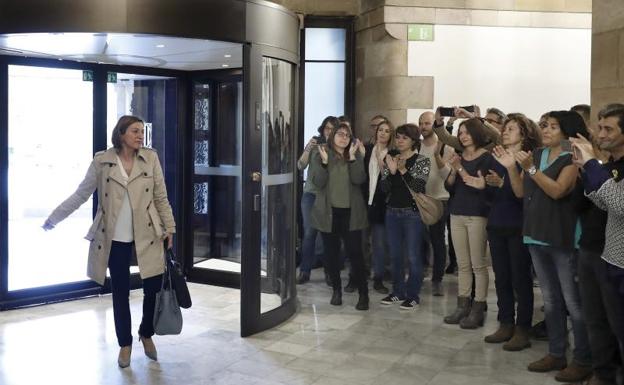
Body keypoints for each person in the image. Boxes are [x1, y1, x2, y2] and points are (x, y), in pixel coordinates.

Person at [42, 115, 176, 368]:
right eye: (135, 131)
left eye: (142, 131)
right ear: (121, 133)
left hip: (148, 235)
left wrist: (170, 228)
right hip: (114, 237)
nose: (140, 136)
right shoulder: (102, 162)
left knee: (152, 290)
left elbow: (161, 196)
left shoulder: (150, 158)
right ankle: (125, 344)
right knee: (120, 293)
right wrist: (54, 218)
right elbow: (81, 194)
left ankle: (146, 333)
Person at [514, 110, 592, 383]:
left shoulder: (571, 157)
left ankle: (583, 359)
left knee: (573, 302)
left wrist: (531, 171)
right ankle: (557, 352)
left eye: (553, 127)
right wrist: (513, 169)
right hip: (535, 234)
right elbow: (522, 192)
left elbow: (559, 190)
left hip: (562, 236)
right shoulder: (535, 155)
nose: (545, 130)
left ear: (566, 132)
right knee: (549, 301)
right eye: (544, 125)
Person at [572, 104, 624, 385]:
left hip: (620, 260)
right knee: (601, 321)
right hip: (608, 255)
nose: (600, 134)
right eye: (599, 127)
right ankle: (603, 375)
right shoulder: (612, 164)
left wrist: (592, 165)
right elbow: (604, 202)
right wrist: (587, 170)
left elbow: (620, 204)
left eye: (608, 129)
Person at [486, 114, 541, 351]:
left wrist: (509, 170)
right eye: (505, 128)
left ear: (524, 134)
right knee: (502, 278)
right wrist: (488, 185)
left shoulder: (527, 159)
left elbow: (519, 194)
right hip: (497, 222)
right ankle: (505, 322)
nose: (504, 132)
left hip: (518, 225)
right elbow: (497, 194)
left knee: (520, 279)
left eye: (511, 129)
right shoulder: (498, 157)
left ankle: (522, 328)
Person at [440, 116, 495, 329]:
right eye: (460, 133)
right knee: (462, 265)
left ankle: (478, 308)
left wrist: (461, 168)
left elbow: (483, 187)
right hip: (457, 212)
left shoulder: (486, 158)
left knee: (478, 264)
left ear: (476, 133)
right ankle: (462, 305)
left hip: (477, 214)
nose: (462, 136)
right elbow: (451, 187)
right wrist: (454, 169)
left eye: (466, 132)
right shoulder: (460, 156)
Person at [308, 123, 369, 310]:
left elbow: (359, 179)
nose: (344, 137)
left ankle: (363, 294)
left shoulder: (355, 154)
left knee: (355, 254)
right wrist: (325, 163)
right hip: (329, 213)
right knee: (331, 255)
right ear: (332, 136)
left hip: (351, 213)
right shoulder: (321, 153)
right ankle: (336, 290)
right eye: (340, 134)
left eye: (347, 134)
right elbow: (317, 182)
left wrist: (352, 158)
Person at [379, 123, 431, 309]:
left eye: (404, 138)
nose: (399, 141)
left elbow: (418, 187)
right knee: (395, 255)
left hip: (412, 214)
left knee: (413, 256)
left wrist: (402, 170)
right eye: (398, 137)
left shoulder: (422, 161)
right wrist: (390, 171)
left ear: (413, 141)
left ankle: (413, 294)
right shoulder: (391, 157)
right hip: (392, 212)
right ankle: (398, 292)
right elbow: (384, 188)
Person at [296, 116, 339, 285]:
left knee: (327, 235)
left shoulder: (338, 147)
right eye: (327, 128)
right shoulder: (316, 145)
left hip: (329, 196)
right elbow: (301, 165)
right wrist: (308, 148)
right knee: (309, 233)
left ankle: (329, 272)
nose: (329, 131)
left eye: (332, 128)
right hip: (310, 195)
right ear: (322, 129)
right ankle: (305, 271)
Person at [418, 111, 454, 296]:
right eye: (421, 123)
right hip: (422, 199)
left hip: (440, 199)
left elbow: (447, 174)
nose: (424, 126)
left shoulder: (445, 147)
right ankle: (423, 270)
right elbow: (419, 176)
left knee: (438, 241)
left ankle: (437, 279)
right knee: (423, 239)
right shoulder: (418, 147)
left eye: (427, 123)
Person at [363, 117, 394, 294]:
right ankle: (359, 275)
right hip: (365, 202)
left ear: (391, 135)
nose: (382, 133)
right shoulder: (366, 150)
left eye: (386, 131)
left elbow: (389, 182)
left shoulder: (393, 153)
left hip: (382, 205)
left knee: (380, 244)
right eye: (380, 130)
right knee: (361, 243)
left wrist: (382, 163)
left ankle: (379, 278)